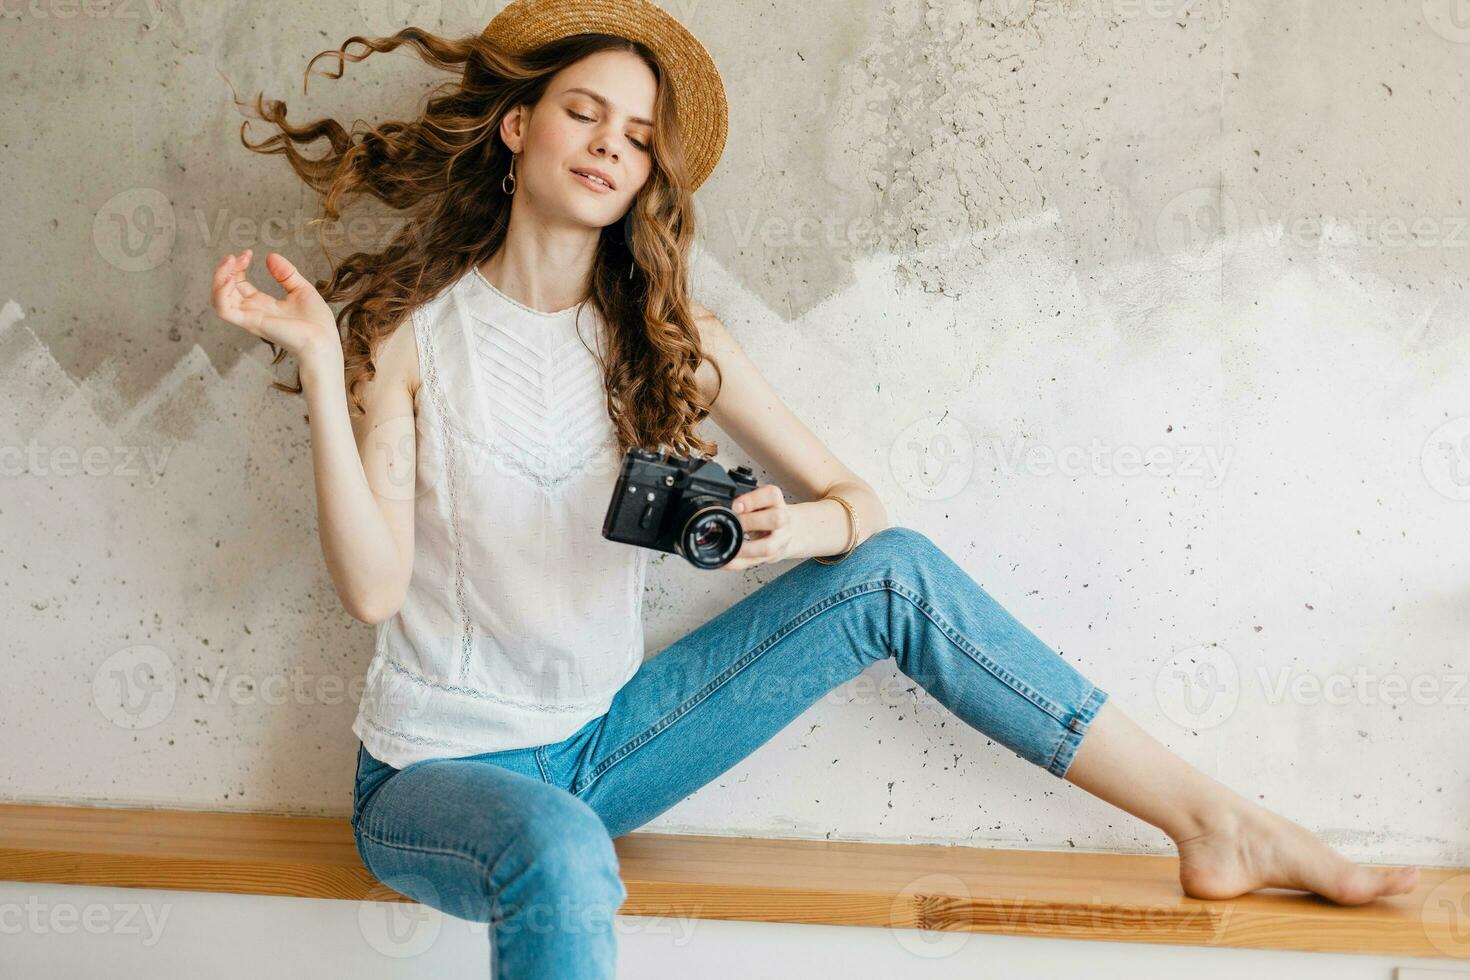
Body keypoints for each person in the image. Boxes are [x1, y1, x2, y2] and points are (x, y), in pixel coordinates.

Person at [208, 1, 1421, 974]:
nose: (608, 147)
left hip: (602, 742)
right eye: (585, 113)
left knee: (893, 573)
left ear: (645, 180)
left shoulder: (671, 335)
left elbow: (867, 507)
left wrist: (796, 526)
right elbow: (372, 590)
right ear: (520, 126)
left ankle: (1216, 818)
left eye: (635, 140)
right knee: (562, 850)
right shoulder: (413, 332)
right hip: (435, 777)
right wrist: (323, 361)